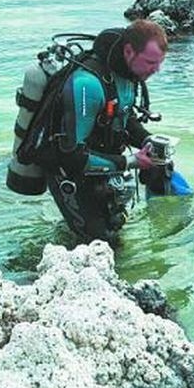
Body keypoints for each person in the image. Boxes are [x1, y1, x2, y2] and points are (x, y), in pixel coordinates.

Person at [46, 19, 168, 244]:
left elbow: (124, 116)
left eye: (159, 63)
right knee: (102, 244)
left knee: (115, 228)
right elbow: (71, 156)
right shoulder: (88, 85)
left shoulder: (128, 74)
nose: (156, 70)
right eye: (151, 62)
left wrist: (147, 140)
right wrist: (131, 162)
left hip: (102, 168)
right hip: (69, 172)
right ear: (129, 51)